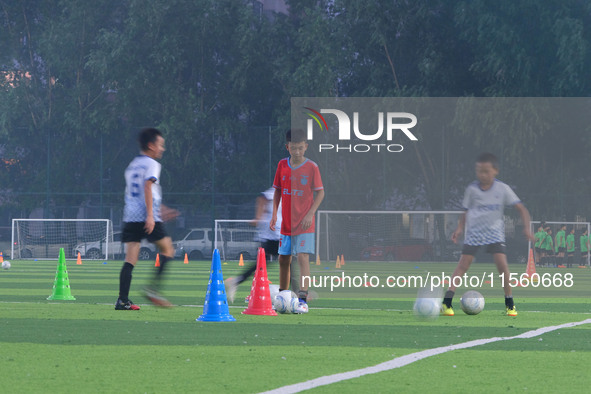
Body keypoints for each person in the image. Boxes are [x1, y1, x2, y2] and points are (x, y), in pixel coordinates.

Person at [443, 153, 534, 317]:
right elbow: (465, 212)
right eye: (479, 171)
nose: (482, 175)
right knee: (463, 265)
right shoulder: (471, 189)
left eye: (486, 171)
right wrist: (459, 229)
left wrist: (527, 228)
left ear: (495, 171)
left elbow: (522, 209)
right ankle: (447, 303)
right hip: (474, 234)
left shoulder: (503, 189)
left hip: (494, 234)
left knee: (503, 267)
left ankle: (510, 304)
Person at [115, 128, 178, 310]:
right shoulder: (152, 164)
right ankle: (152, 290)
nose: (162, 149)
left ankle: (123, 300)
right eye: (160, 145)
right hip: (147, 216)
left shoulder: (132, 164)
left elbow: (138, 193)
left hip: (130, 216)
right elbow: (147, 187)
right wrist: (151, 215)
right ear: (151, 146)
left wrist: (161, 209)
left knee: (130, 259)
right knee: (167, 249)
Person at [270, 129, 324, 314]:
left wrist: (310, 214)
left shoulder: (312, 167)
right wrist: (274, 214)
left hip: (305, 223)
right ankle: (283, 297)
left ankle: (302, 299)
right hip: (286, 223)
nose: (297, 152)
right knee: (283, 259)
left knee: (302, 257)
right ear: (288, 147)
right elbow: (277, 190)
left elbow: (321, 192)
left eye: (301, 148)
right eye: (294, 148)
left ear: (306, 147)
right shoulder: (281, 165)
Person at [225, 187, 290, 303]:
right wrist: (258, 217)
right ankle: (297, 293)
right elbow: (262, 198)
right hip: (273, 234)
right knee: (288, 261)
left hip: (275, 234)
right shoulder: (278, 189)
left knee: (264, 263)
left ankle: (237, 281)